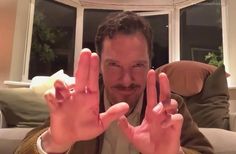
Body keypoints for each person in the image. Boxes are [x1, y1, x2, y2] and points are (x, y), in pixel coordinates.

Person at [15, 11, 214, 154]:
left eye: (137, 65)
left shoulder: (171, 107)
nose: (126, 80)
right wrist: (54, 142)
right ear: (100, 64)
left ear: (150, 64)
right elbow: (23, 150)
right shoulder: (79, 104)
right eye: (114, 65)